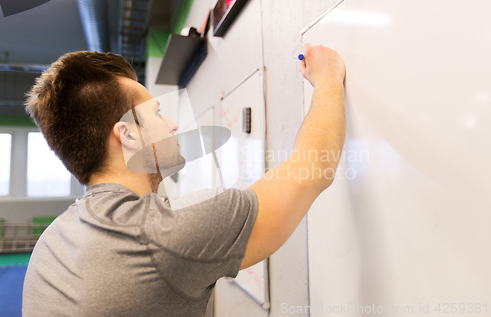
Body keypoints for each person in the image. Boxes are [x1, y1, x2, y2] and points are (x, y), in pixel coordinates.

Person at [22, 43, 346, 316]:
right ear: (128, 134)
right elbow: (315, 166)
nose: (173, 124)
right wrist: (329, 78)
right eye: (157, 113)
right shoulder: (163, 234)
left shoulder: (52, 241)